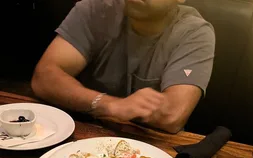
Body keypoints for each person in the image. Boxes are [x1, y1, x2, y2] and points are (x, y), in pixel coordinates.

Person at [31, 0, 215, 133]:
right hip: (81, 129)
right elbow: (44, 77)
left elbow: (172, 116)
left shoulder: (194, 33)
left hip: (151, 147)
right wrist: (110, 105)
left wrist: (125, 108)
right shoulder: (95, 8)